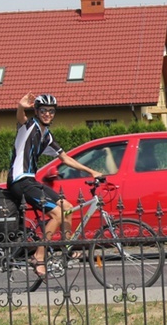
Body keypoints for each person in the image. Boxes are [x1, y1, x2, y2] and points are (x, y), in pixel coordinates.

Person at [7, 93, 102, 277]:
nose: (48, 114)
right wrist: (20, 106)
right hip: (19, 181)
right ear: (36, 111)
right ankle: (39, 256)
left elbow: (65, 158)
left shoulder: (47, 136)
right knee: (57, 213)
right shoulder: (29, 126)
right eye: (43, 110)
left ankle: (66, 248)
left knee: (67, 207)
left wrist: (91, 171)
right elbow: (21, 118)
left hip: (31, 181)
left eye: (51, 111)